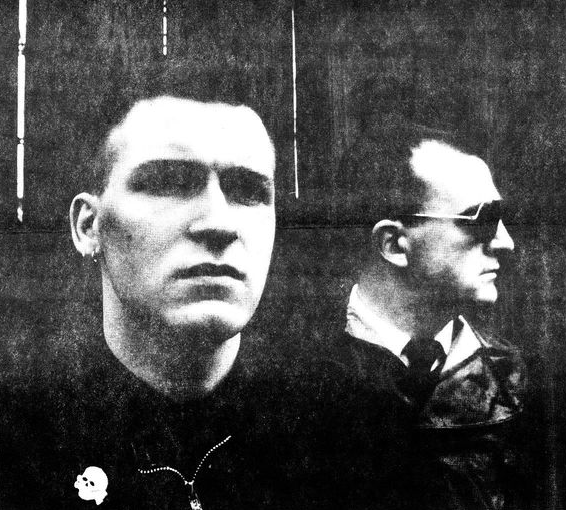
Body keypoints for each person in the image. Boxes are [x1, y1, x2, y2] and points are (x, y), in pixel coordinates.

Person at [0, 95, 291, 510]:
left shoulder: (347, 430)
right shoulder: (21, 443)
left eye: (248, 192)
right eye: (169, 185)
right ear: (89, 227)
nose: (220, 223)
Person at [315, 123, 531, 510]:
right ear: (395, 244)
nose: (506, 242)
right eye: (483, 219)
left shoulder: (519, 380)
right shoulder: (293, 379)